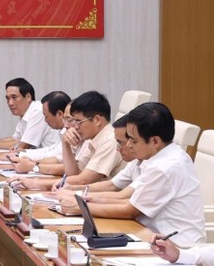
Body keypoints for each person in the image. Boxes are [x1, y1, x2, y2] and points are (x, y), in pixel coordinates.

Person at [65, 102, 205, 245]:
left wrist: (79, 207)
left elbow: (129, 210)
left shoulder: (165, 167)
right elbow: (127, 199)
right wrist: (83, 199)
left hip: (177, 248)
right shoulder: (158, 157)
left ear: (155, 141)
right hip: (148, 235)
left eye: (133, 140)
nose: (129, 145)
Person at [9, 91, 125, 190]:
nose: (75, 127)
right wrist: (65, 143)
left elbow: (83, 180)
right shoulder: (92, 139)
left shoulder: (110, 140)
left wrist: (35, 183)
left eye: (78, 122)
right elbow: (73, 173)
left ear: (97, 120)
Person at [0, 78, 59, 150]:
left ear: (28, 97)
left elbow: (23, 145)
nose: (10, 103)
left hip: (51, 161)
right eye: (8, 98)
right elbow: (16, 139)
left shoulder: (38, 111)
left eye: (14, 97)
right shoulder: (26, 112)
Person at [9, 91, 71, 175]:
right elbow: (53, 150)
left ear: (60, 114)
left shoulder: (73, 133)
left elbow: (58, 158)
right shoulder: (63, 131)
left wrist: (29, 161)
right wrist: (24, 154)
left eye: (46, 116)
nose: (45, 120)